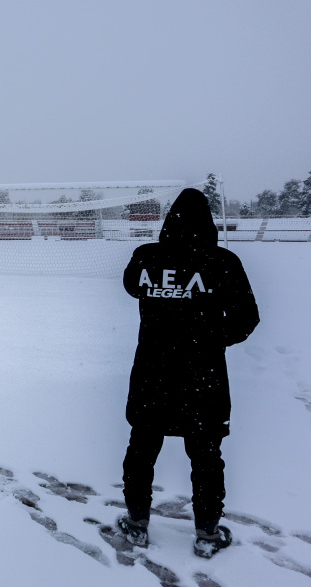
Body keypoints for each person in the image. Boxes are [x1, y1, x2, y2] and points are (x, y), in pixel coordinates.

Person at [118, 188, 259, 558]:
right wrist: (210, 341)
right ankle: (207, 533)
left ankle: (136, 523)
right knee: (206, 455)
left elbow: (132, 286)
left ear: (169, 221)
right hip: (202, 378)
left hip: (152, 373)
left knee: (142, 448)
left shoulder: (146, 257)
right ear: (208, 223)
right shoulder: (222, 261)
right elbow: (247, 318)